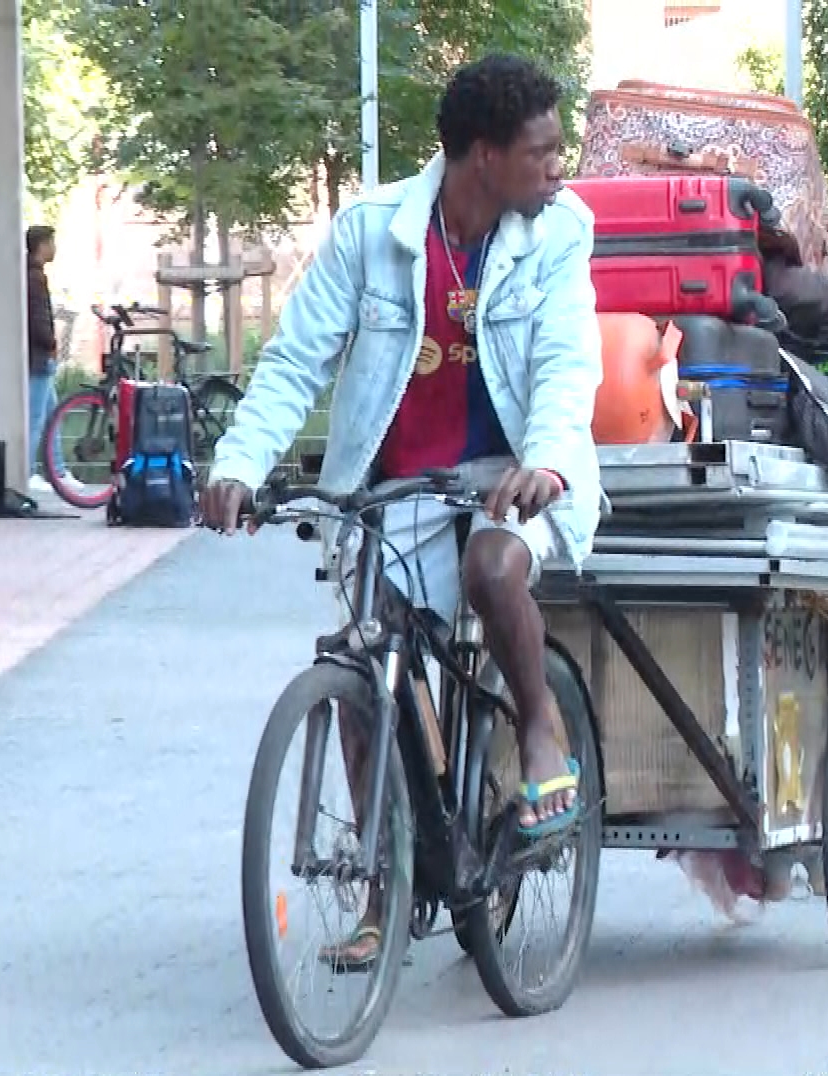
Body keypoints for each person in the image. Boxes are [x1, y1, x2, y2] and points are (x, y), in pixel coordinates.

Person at [199, 54, 600, 965]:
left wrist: (543, 461)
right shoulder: (372, 233)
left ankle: (538, 723)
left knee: (493, 570)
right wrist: (239, 462)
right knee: (368, 659)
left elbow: (568, 361)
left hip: (519, 471)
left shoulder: (561, 229)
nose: (557, 167)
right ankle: (386, 887)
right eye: (540, 151)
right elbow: (296, 359)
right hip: (398, 487)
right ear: (483, 156)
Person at [25, 224, 59, 482]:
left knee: (52, 414)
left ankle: (57, 471)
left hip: (40, 357)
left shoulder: (33, 275)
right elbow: (38, 318)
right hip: (39, 358)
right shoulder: (35, 278)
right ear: (42, 246)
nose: (54, 248)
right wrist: (50, 343)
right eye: (51, 243)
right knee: (37, 418)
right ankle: (28, 472)